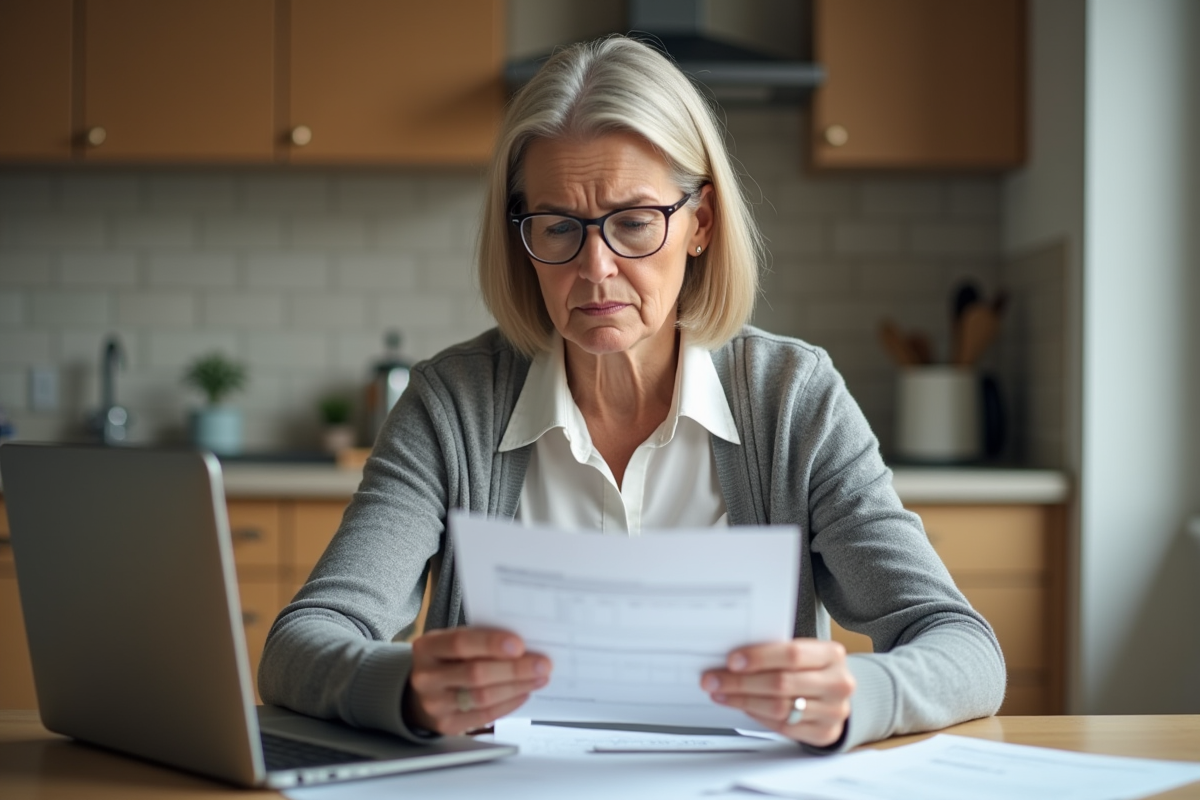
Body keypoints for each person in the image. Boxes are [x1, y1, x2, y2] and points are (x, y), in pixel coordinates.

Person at [259, 36, 1004, 753]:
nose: (596, 269)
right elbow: (299, 646)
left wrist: (858, 694)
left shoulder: (791, 399)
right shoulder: (453, 403)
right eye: (557, 227)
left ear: (700, 224)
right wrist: (405, 689)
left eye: (635, 223)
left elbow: (964, 648)